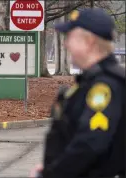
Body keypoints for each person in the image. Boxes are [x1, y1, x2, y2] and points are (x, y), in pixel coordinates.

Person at [30, 8, 125, 178]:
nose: (66, 44)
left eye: (70, 38)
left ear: (88, 42)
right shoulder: (90, 82)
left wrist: (51, 173)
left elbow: (91, 143)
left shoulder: (105, 86)